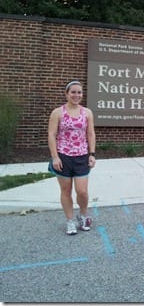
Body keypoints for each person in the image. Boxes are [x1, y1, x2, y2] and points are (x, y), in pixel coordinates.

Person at [48, 80, 96, 235]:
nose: (76, 95)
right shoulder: (58, 112)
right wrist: (55, 157)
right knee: (66, 190)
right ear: (66, 94)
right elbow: (52, 134)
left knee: (82, 191)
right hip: (63, 156)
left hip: (82, 156)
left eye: (79, 92)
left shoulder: (87, 112)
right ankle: (70, 221)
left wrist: (92, 154)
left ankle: (83, 216)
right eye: (73, 92)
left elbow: (90, 134)